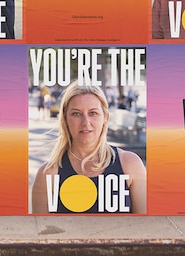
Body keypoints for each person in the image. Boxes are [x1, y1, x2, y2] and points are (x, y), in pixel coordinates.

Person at [31, 82, 146, 214]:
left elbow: (145, 230)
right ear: (65, 119)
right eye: (76, 114)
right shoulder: (47, 174)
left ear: (105, 118)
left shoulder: (130, 165)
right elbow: (41, 233)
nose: (86, 122)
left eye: (93, 113)